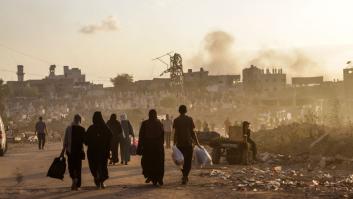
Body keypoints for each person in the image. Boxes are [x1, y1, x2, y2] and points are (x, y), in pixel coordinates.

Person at [173, 105, 201, 185]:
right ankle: (185, 176)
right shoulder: (189, 119)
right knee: (188, 161)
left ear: (179, 111)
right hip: (188, 144)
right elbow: (193, 132)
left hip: (180, 144)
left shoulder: (176, 120)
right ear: (186, 111)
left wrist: (174, 144)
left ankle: (184, 175)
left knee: (181, 161)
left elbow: (176, 133)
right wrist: (197, 142)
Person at [137, 109, 165, 186]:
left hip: (148, 146)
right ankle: (159, 178)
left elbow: (141, 136)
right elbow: (162, 135)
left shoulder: (145, 123)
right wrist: (161, 144)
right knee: (159, 163)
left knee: (148, 162)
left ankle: (150, 176)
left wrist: (139, 147)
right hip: (158, 146)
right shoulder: (159, 123)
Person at [85, 112, 112, 189]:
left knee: (94, 167)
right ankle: (102, 183)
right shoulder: (105, 128)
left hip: (92, 152)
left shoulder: (91, 128)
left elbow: (85, 140)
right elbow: (110, 136)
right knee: (103, 167)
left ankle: (97, 183)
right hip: (103, 151)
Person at [60, 114, 85, 191]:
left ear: (74, 119)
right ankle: (77, 185)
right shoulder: (82, 129)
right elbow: (85, 141)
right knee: (78, 168)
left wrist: (62, 151)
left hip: (70, 152)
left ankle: (74, 179)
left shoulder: (69, 128)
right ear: (80, 120)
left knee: (71, 167)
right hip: (79, 152)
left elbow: (65, 141)